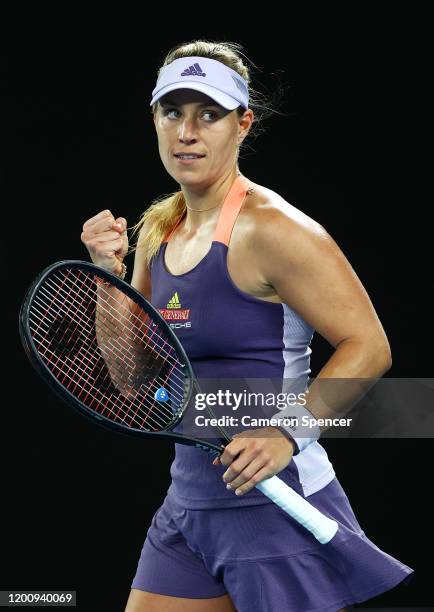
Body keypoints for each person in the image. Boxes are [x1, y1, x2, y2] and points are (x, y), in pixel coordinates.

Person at [81, 40, 414, 612]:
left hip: (274, 509)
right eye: (173, 112)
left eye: (209, 114)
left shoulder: (275, 229)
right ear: (155, 120)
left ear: (243, 123)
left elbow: (370, 347)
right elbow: (131, 376)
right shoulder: (157, 234)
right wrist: (106, 277)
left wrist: (286, 431)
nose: (188, 132)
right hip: (189, 507)